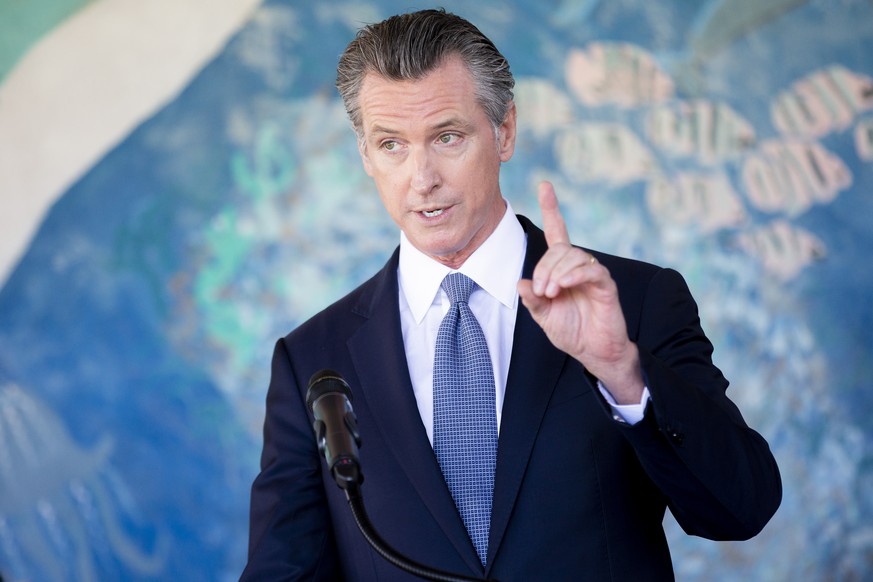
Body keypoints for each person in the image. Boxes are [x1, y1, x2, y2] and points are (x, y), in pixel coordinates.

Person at [241, 8, 781, 581]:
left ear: (504, 131)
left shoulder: (638, 300)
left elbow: (740, 510)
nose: (421, 178)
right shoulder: (312, 360)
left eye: (447, 137)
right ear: (365, 155)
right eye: (392, 144)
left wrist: (622, 370)